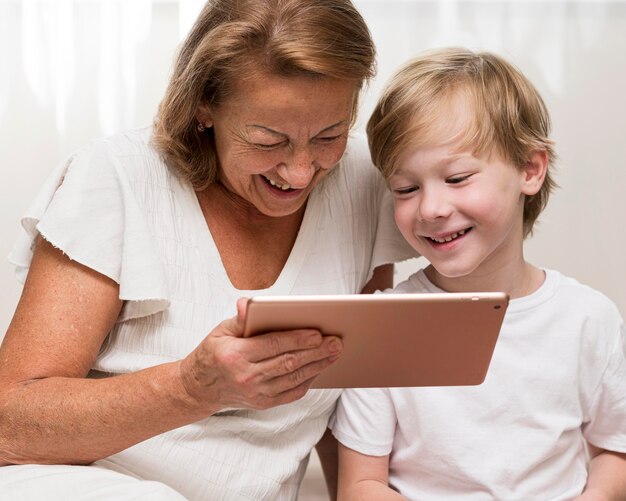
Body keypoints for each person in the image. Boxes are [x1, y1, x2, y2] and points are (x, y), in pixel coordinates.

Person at [0, 1, 416, 499]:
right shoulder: (117, 177)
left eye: (330, 135)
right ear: (203, 105)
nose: (301, 172)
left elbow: (349, 398)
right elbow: (8, 425)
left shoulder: (361, 185)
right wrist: (190, 389)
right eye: (268, 140)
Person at [330, 47, 626, 500]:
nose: (430, 208)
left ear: (530, 169)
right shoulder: (381, 325)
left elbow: (614, 450)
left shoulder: (589, 320)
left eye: (457, 178)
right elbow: (361, 485)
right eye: (406, 188)